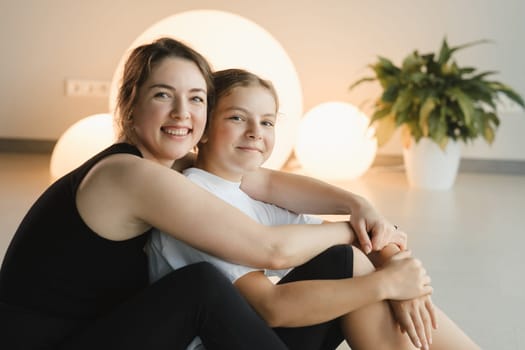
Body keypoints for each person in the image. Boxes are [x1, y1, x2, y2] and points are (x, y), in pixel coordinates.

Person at [0, 37, 406, 350]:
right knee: (201, 288)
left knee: (337, 264)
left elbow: (263, 180)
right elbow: (271, 251)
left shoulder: (168, 166)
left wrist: (358, 205)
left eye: (195, 99)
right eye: (163, 95)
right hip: (52, 345)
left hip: (101, 334)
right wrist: (355, 229)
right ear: (129, 104)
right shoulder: (129, 175)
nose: (182, 113)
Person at [149, 68, 480, 350]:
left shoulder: (245, 194)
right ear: (204, 128)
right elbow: (271, 309)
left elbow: (351, 239)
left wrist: (402, 275)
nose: (255, 132)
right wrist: (389, 283)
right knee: (348, 263)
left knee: (350, 258)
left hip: (256, 334)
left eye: (267, 122)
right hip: (226, 340)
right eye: (237, 118)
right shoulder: (193, 196)